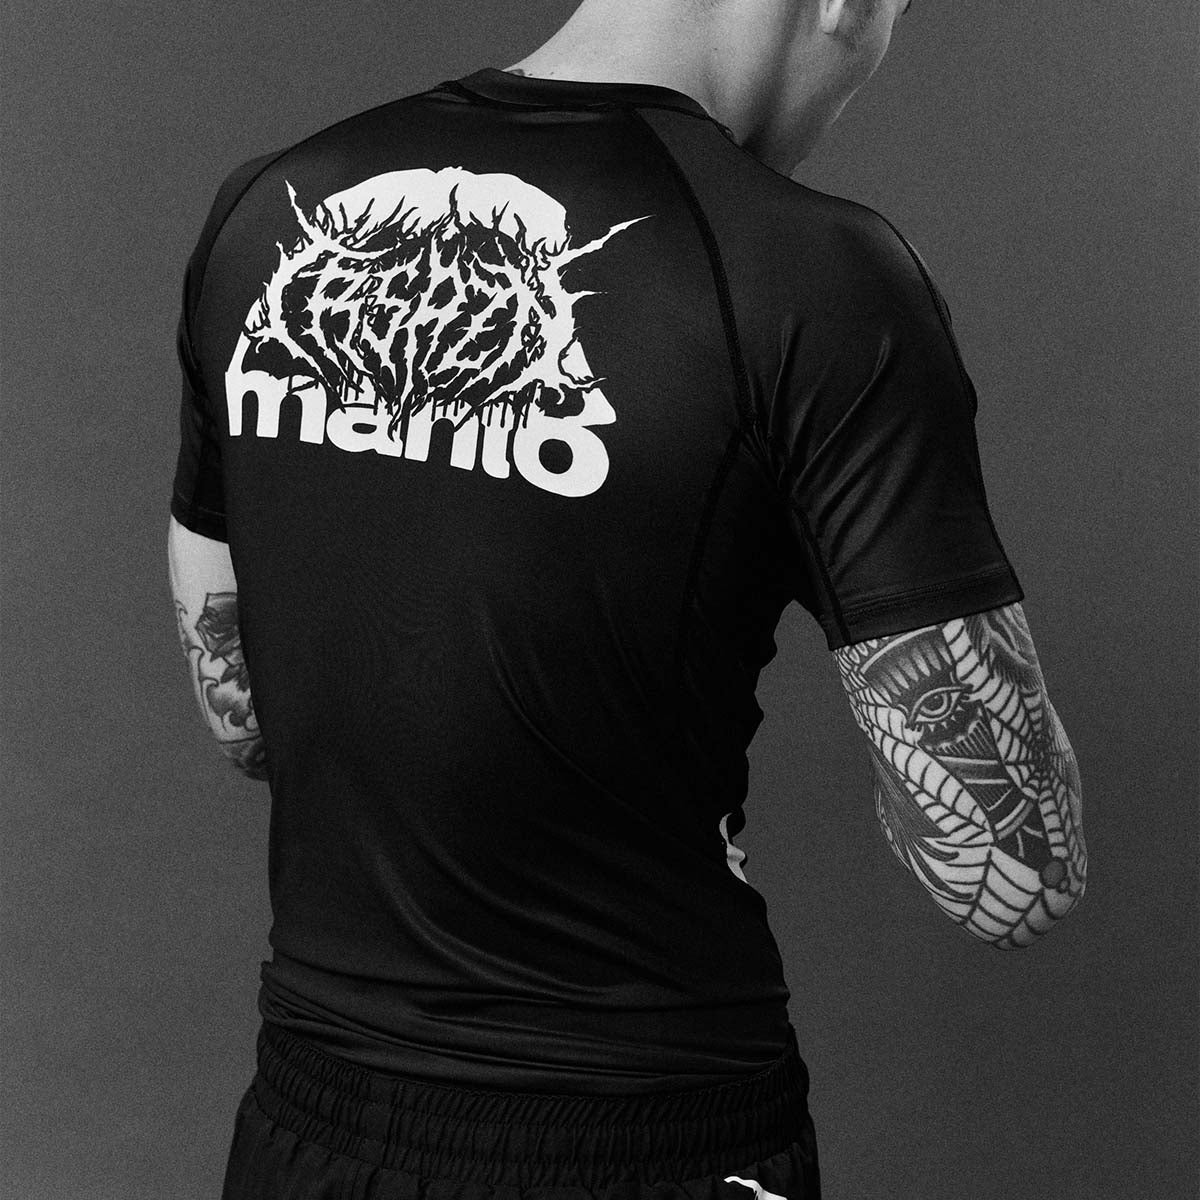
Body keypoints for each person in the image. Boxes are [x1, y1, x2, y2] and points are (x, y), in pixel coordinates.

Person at [166, 0, 1089, 1196]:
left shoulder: (266, 207)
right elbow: (1013, 874)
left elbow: (241, 715)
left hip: (309, 1130)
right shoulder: (815, 275)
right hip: (646, 1139)